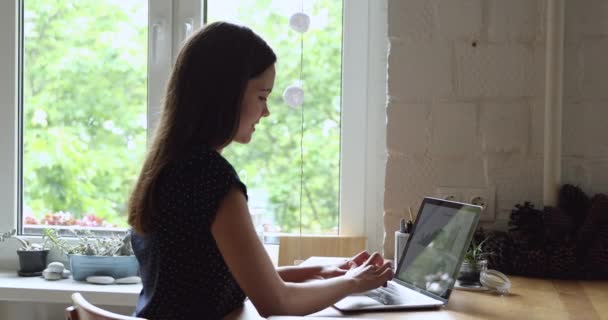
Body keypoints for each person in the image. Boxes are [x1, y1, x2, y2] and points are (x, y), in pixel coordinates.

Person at [127, 21, 393, 319]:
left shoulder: (169, 166)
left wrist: (319, 271)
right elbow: (277, 303)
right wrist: (353, 282)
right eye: (262, 96)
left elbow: (221, 278)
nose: (265, 112)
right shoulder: (210, 177)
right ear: (226, 94)